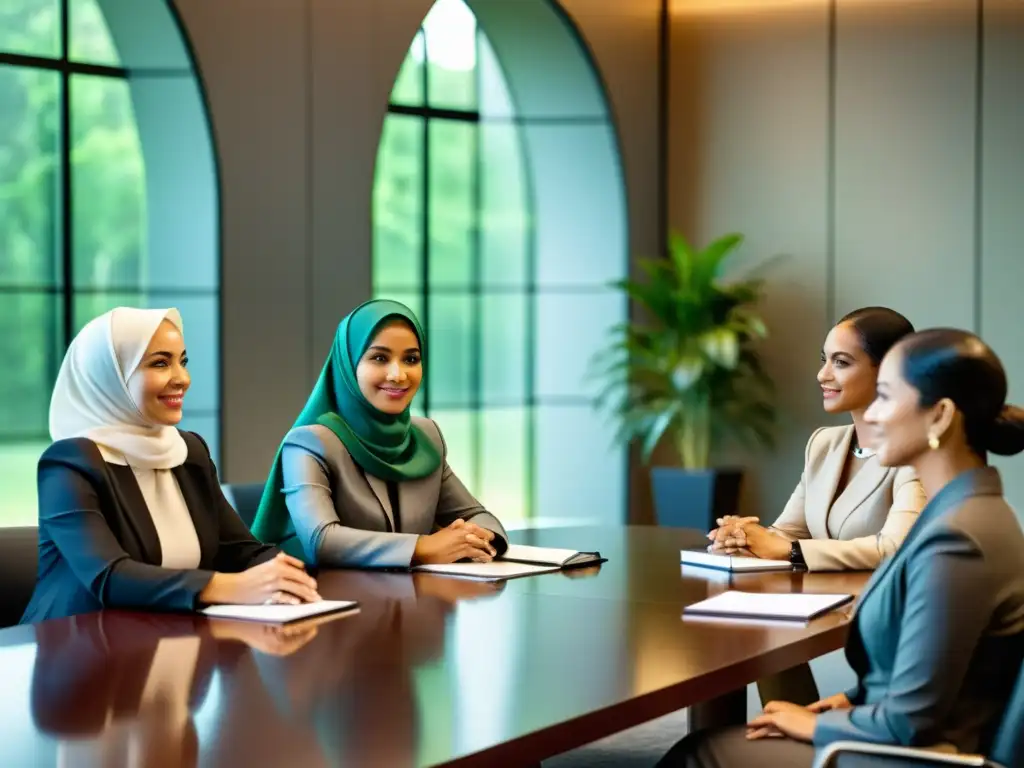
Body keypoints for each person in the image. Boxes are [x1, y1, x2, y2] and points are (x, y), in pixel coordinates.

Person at [658, 328, 1024, 767]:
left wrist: (816, 725)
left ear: (940, 416)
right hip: (910, 733)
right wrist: (848, 700)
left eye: (885, 397)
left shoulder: (957, 538)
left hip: (917, 756)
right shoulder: (965, 511)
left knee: (699, 754)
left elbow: (908, 722)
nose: (873, 417)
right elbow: (936, 674)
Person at [20, 308, 320, 625]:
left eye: (183, 361)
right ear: (112, 376)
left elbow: (240, 550)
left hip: (167, 634)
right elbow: (108, 577)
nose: (182, 379)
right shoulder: (69, 463)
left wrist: (285, 574)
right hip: (75, 645)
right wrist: (233, 586)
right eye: (161, 363)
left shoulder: (188, 451)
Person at [250, 299, 508, 567]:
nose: (398, 375)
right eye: (379, 358)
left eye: (411, 359)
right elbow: (322, 540)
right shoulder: (309, 444)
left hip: (416, 599)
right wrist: (422, 547)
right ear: (348, 366)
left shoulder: (425, 435)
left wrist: (473, 537)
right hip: (330, 599)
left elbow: (479, 516)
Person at [708, 307, 926, 572]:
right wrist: (743, 538)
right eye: (825, 360)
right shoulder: (824, 443)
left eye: (841, 362)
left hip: (876, 608)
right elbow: (785, 533)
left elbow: (895, 548)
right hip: (818, 601)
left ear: (889, 371)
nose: (823, 375)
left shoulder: (918, 450)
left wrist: (792, 551)